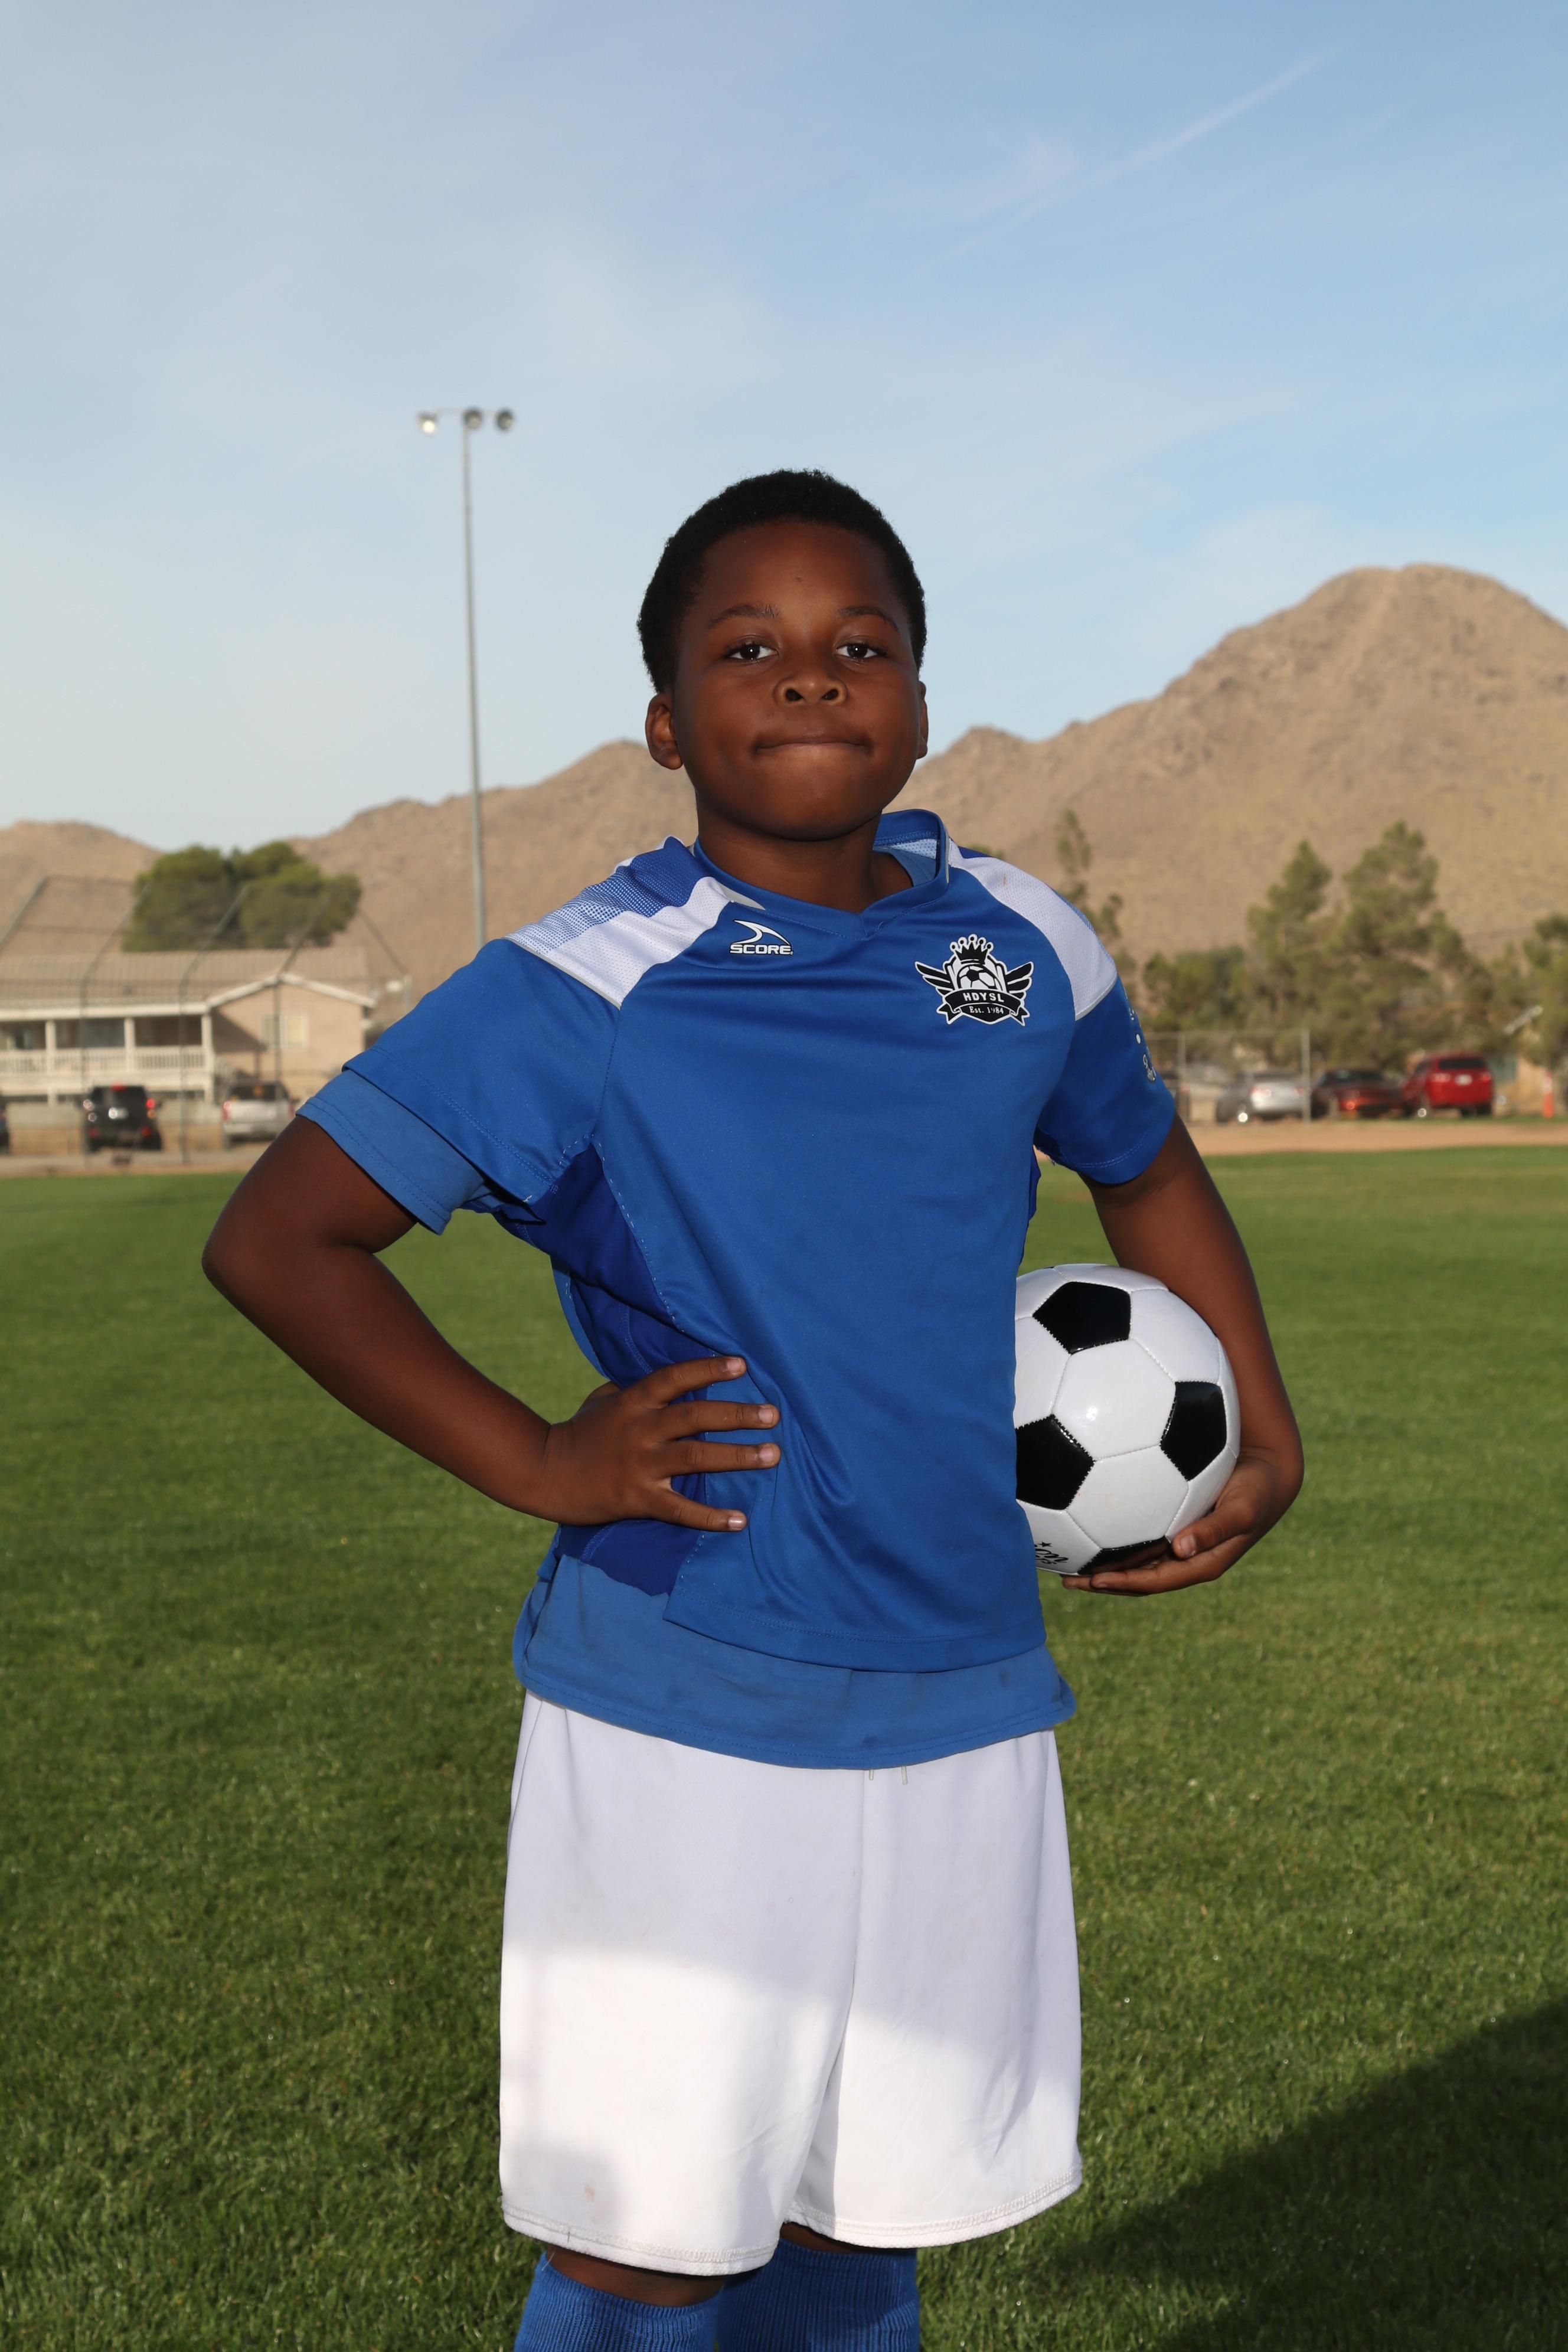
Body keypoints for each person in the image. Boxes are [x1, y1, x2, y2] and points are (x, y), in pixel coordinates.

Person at [204, 469, 1302, 2351]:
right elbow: (284, 1239)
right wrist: (542, 1458)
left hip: (964, 1689)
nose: (810, 677)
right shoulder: (587, 986)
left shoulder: (1016, 948)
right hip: (694, 1692)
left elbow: (1144, 1161)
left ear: (923, 701)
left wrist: (1262, 1431)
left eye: (858, 643)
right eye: (749, 649)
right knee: (653, 2246)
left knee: (861, 2227)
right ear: (664, 722)